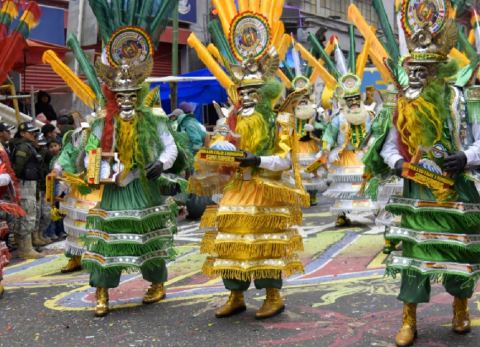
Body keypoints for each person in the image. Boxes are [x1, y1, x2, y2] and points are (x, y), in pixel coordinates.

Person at [370, 4, 480, 345]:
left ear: (439, 71)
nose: (418, 76)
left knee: (457, 252)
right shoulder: (401, 104)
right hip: (415, 192)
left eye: (425, 70)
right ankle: (408, 320)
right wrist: (397, 164)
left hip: (455, 190)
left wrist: (465, 156)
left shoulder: (462, 100)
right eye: (413, 69)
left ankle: (460, 309)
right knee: (413, 255)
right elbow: (387, 147)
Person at [190, 51, 309, 319]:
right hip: (235, 190)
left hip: (265, 190)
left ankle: (273, 296)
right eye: (241, 92)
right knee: (229, 241)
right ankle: (235, 295)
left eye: (252, 92)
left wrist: (257, 160)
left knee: (264, 242)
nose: (245, 98)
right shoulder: (229, 121)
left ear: (265, 93)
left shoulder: (280, 120)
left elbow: (284, 161)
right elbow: (219, 152)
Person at [81, 51, 187, 317]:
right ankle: (102, 291)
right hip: (114, 191)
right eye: (121, 97)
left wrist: (160, 164)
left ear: (138, 95)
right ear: (113, 97)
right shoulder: (101, 122)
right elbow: (89, 155)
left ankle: (157, 282)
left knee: (148, 239)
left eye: (131, 96)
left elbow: (170, 147)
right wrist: (103, 171)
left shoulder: (153, 119)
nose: (126, 101)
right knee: (108, 242)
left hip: (144, 188)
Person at [322, 74, 375, 227]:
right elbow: (329, 134)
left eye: (356, 99)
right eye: (349, 100)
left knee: (365, 184)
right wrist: (326, 149)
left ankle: (369, 210)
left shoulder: (369, 116)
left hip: (363, 155)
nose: (353, 102)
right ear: (344, 102)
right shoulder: (339, 118)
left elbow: (377, 132)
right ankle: (342, 215)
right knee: (343, 188)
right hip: (344, 156)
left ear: (361, 99)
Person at [9, 122, 44, 257]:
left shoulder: (29, 146)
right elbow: (17, 168)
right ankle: (25, 248)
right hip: (24, 184)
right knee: (27, 215)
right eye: (31, 132)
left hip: (30, 184)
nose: (34, 135)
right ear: (23, 133)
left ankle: (25, 246)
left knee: (29, 213)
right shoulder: (23, 147)